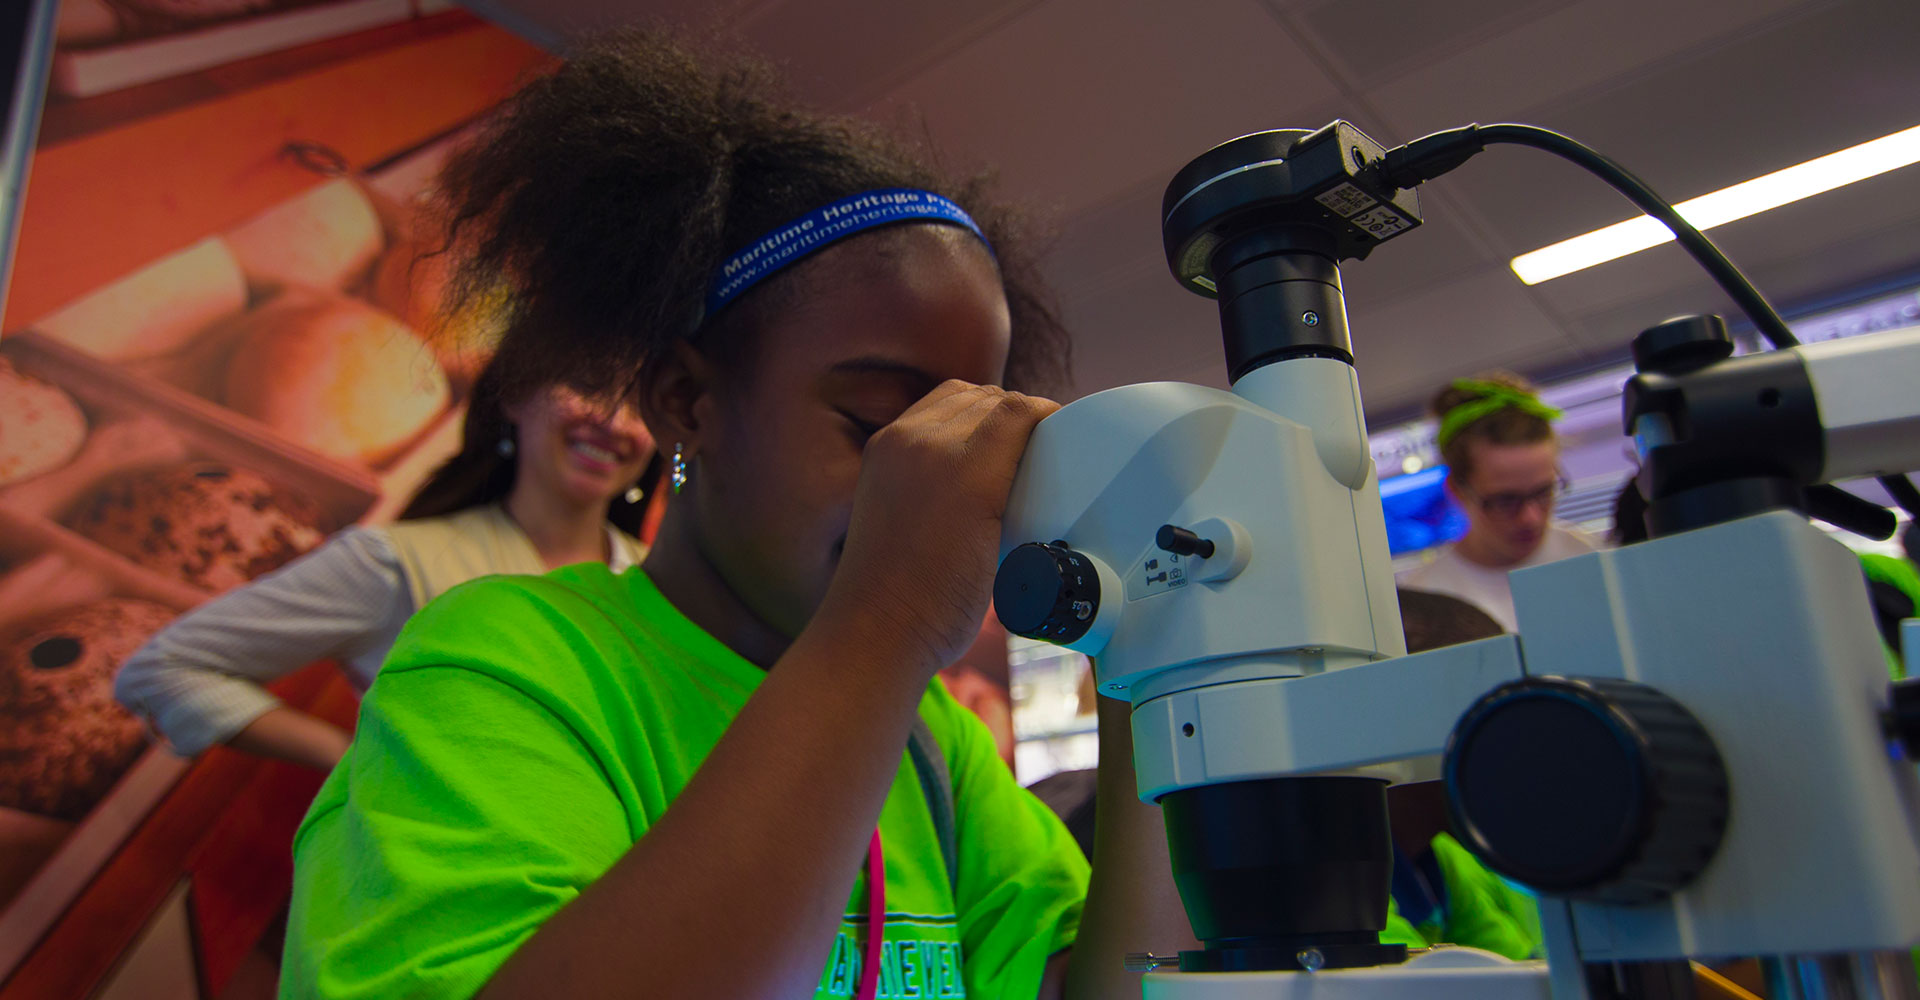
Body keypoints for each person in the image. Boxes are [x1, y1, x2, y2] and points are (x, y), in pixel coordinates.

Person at [280, 31, 1196, 1000]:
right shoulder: (503, 664)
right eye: (880, 425)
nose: (932, 487)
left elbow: (1129, 987)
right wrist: (884, 621)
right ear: (686, 401)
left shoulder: (935, 743)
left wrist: (1146, 668)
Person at [114, 359, 654, 772]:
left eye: (641, 402)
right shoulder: (401, 561)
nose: (613, 420)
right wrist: (364, 765)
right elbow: (165, 669)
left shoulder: (667, 585)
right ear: (516, 393)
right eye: (588, 384)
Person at [1399, 372, 1601, 631]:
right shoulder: (1426, 604)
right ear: (1457, 490)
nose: (1531, 517)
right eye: (1506, 501)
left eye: (1543, 492)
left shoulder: (1594, 559)